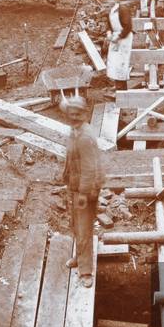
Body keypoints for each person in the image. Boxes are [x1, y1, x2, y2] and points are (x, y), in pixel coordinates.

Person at [61, 96, 103, 288]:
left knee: (84, 228)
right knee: (75, 224)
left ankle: (86, 272)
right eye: (71, 114)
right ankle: (79, 256)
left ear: (85, 115)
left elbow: (89, 169)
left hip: (85, 190)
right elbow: (71, 159)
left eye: (78, 114)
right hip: (74, 186)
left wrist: (85, 195)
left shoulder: (85, 137)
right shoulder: (74, 132)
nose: (74, 117)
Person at [104, 0, 134, 92]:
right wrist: (109, 33)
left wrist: (119, 36)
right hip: (115, 37)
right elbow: (109, 24)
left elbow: (128, 26)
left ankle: (122, 87)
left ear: (116, 0)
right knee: (113, 62)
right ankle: (117, 84)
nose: (108, 1)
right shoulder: (111, 10)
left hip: (124, 38)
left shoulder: (122, 9)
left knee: (121, 62)